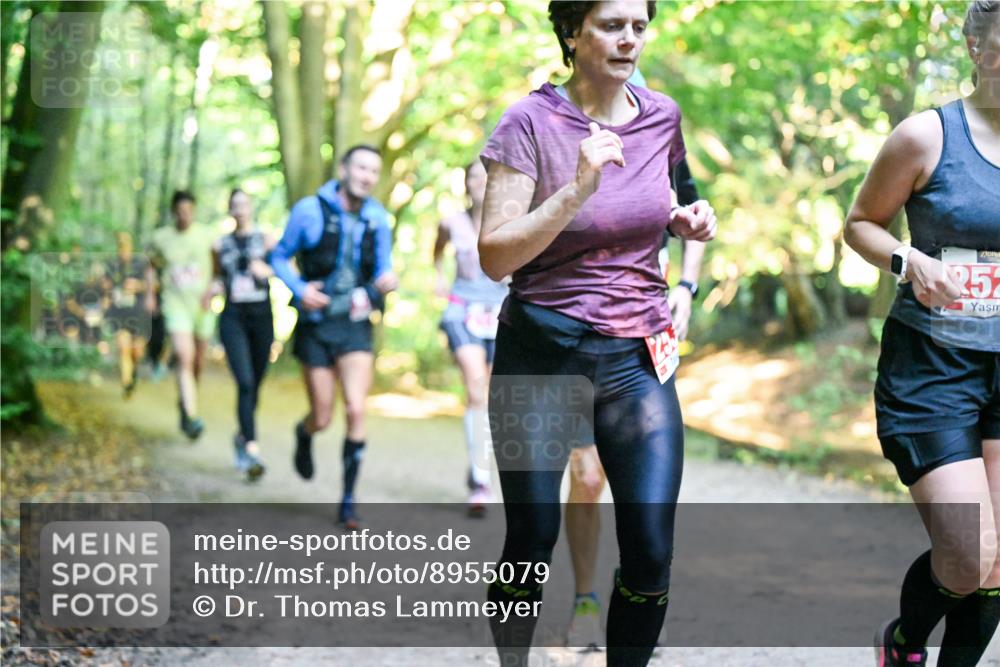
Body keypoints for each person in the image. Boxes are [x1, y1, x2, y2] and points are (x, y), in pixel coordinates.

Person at [478, 2, 717, 665]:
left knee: (651, 547)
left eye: (639, 26)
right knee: (532, 539)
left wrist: (686, 233)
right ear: (571, 31)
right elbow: (495, 255)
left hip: (636, 358)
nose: (629, 40)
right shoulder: (528, 122)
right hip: (541, 354)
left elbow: (673, 202)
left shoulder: (662, 116)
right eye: (613, 25)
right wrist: (576, 188)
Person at [843, 3, 1000, 665]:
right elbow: (860, 224)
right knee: (969, 556)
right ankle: (904, 642)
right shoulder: (926, 136)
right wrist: (909, 261)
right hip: (934, 367)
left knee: (998, 564)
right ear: (975, 46)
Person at [562, 70, 709, 653]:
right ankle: (584, 598)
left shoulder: (661, 136)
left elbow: (697, 214)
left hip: (647, 333)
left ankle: (639, 592)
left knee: (642, 486)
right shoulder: (562, 140)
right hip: (576, 338)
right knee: (586, 476)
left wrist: (687, 289)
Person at [271, 144, 398, 529]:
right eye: (360, 168)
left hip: (355, 323)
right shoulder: (309, 210)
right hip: (316, 324)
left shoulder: (378, 219)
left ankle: (348, 502)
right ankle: (304, 432)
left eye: (373, 171)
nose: (366, 176)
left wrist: (387, 281)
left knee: (356, 409)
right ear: (344, 169)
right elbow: (279, 256)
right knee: (323, 417)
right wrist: (299, 289)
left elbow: (384, 268)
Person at [433, 160, 510, 516]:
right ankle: (481, 481)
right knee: (476, 388)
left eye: (486, 177)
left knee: (491, 396)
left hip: (501, 313)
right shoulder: (451, 222)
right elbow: (437, 251)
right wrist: (438, 277)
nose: (480, 182)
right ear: (465, 184)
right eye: (473, 177)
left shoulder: (512, 221)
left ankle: (478, 463)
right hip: (462, 310)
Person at [204, 189, 275, 481]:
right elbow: (217, 277)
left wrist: (267, 270)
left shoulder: (267, 239)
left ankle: (240, 437)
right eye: (235, 205)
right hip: (233, 318)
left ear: (251, 207)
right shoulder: (219, 245)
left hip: (262, 318)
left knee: (255, 385)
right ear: (229, 210)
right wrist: (213, 288)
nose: (240, 209)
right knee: (245, 382)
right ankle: (252, 450)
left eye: (244, 203)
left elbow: (284, 268)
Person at [146, 190, 218, 441]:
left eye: (188, 211)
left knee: (197, 363)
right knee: (183, 356)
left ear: (193, 211)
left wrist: (213, 288)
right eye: (180, 211)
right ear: (173, 212)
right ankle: (192, 415)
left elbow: (219, 266)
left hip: (202, 306)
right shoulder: (161, 238)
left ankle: (185, 404)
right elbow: (150, 265)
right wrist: (150, 294)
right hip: (175, 304)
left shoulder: (207, 235)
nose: (184, 215)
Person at [106, 231, 149, 398]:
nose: (122, 249)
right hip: (120, 314)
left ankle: (133, 373)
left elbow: (152, 285)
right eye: (120, 246)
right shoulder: (112, 265)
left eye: (125, 245)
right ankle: (127, 383)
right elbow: (106, 286)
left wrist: (138, 285)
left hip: (138, 313)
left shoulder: (140, 263)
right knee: (123, 348)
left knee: (136, 352)